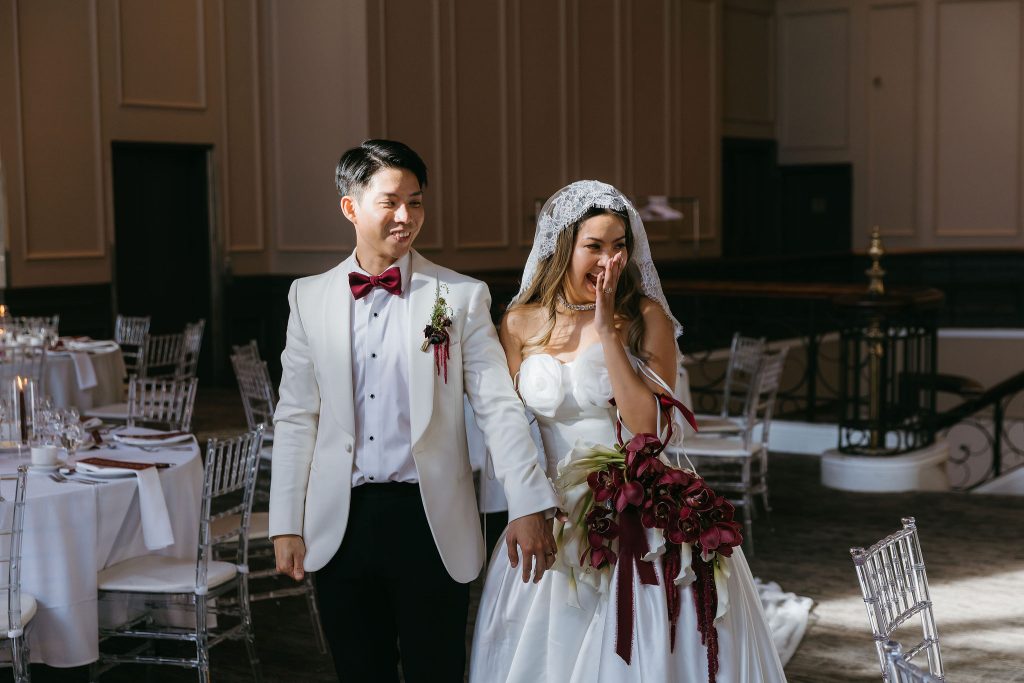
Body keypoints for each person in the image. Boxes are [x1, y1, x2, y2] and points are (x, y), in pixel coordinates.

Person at [469, 180, 787, 682]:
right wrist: (525, 506)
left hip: (633, 511)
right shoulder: (518, 323)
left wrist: (606, 330)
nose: (609, 260)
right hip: (551, 514)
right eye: (594, 246)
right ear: (562, 248)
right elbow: (509, 428)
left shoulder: (645, 317)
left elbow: (648, 429)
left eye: (619, 246)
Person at [268, 139, 560, 683]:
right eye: (390, 202)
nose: (406, 216)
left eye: (416, 202)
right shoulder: (308, 297)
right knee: (360, 672)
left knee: (437, 670)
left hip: (431, 521)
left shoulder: (460, 296)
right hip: (341, 521)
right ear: (350, 207)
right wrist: (286, 522)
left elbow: (498, 406)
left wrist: (526, 503)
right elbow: (295, 417)